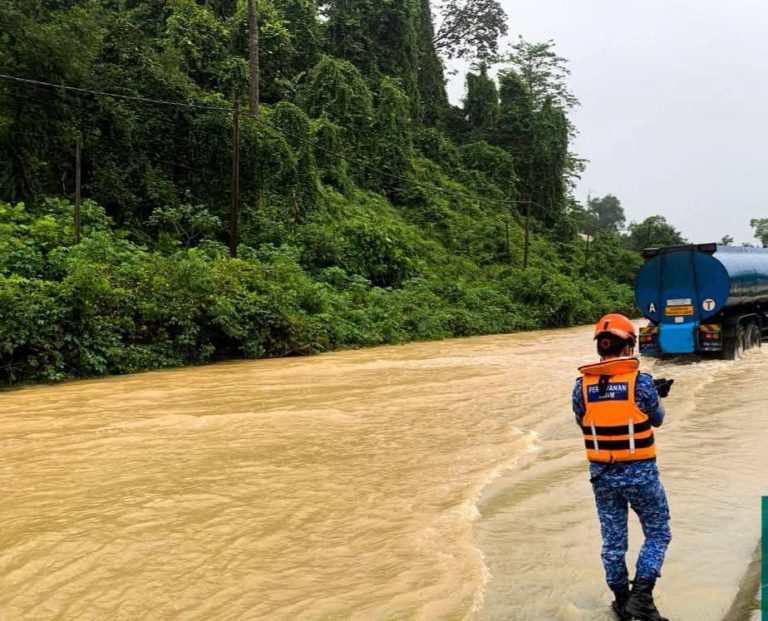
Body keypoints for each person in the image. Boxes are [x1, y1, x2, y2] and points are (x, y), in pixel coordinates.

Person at [572, 313, 672, 621]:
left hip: (602, 477)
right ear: (629, 346)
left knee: (613, 542)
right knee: (658, 533)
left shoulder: (581, 387)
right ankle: (641, 597)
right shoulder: (641, 383)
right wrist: (656, 395)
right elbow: (657, 418)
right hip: (640, 474)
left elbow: (584, 421)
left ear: (600, 348)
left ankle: (621, 601)